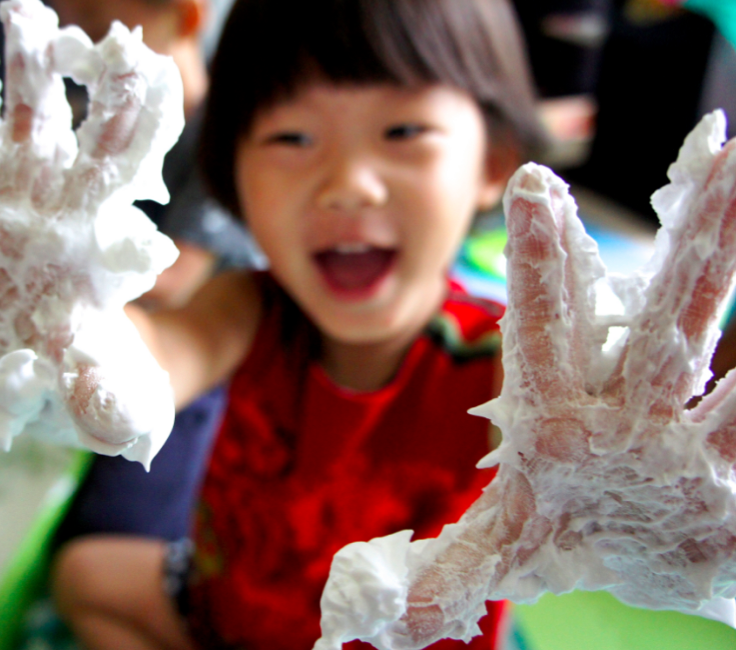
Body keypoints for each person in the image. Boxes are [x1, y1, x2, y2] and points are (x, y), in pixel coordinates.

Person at [48, 0, 545, 647]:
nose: (346, 185)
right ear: (233, 178)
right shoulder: (247, 307)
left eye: (401, 133)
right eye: (292, 138)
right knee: (87, 575)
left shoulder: (509, 362)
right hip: (226, 614)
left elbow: (609, 433)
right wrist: (61, 306)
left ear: (490, 163)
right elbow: (159, 355)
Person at [46, 0, 264, 547]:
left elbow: (178, 282)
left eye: (97, 29)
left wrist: (54, 271)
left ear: (187, 18)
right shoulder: (89, 129)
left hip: (199, 355)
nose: (79, 42)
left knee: (109, 532)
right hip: (105, 334)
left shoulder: (220, 132)